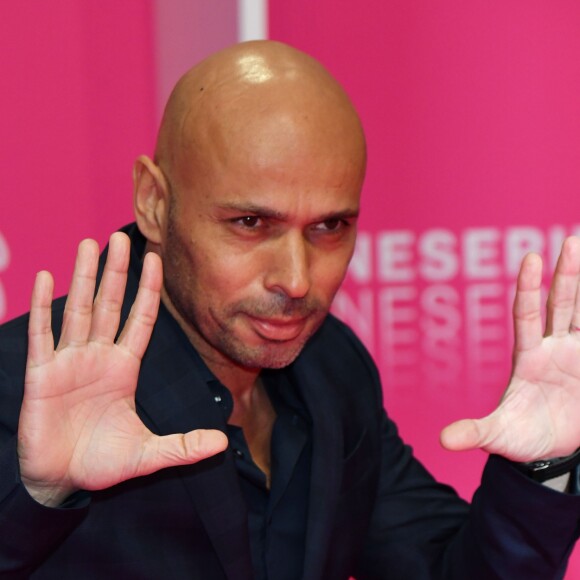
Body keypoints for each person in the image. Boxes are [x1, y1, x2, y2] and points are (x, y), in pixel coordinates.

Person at [0, 40, 579, 579]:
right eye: (250, 224)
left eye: (329, 227)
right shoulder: (25, 383)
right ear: (155, 202)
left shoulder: (332, 368)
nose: (297, 280)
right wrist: (38, 498)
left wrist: (545, 469)